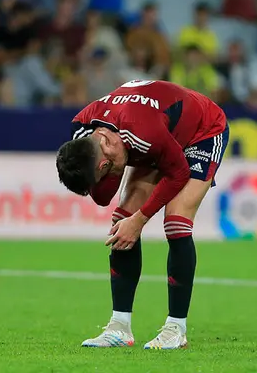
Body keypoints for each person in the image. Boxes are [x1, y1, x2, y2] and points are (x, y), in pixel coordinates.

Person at [55, 79, 229, 350]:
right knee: (120, 219)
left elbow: (179, 172)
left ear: (101, 160)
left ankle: (176, 329)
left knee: (176, 221)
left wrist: (139, 220)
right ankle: (120, 327)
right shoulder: (82, 129)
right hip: (156, 135)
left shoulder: (142, 132)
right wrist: (117, 175)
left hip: (201, 131)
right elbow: (102, 198)